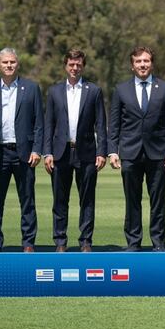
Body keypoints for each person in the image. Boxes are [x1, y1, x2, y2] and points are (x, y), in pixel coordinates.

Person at [108, 46, 165, 252]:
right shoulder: (121, 90)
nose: (143, 65)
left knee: (158, 201)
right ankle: (133, 242)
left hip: (158, 153)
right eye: (138, 61)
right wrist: (113, 150)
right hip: (130, 153)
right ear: (132, 65)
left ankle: (158, 243)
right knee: (132, 200)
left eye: (146, 61)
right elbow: (114, 124)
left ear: (152, 64)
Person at [0, 48, 43, 252]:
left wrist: (37, 150)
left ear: (18, 64)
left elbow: (39, 123)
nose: (9, 65)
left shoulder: (31, 88)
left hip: (24, 153)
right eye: (5, 62)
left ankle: (28, 243)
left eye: (12, 62)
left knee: (27, 200)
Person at [42, 49, 107, 252]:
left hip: (87, 152)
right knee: (60, 200)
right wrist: (47, 153)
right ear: (65, 65)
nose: (75, 68)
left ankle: (86, 241)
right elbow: (48, 125)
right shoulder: (54, 92)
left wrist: (102, 152)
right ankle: (60, 241)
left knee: (87, 199)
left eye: (78, 64)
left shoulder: (93, 91)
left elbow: (101, 124)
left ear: (83, 66)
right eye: (71, 64)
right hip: (60, 152)